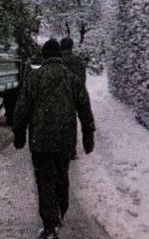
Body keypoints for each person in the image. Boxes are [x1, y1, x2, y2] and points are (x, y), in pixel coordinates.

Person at [13, 39, 95, 239]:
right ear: (59, 55)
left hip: (40, 140)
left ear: (44, 56)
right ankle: (61, 211)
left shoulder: (35, 78)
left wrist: (19, 133)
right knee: (62, 175)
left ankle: (50, 224)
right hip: (65, 139)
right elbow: (84, 106)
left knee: (44, 180)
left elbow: (22, 108)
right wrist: (88, 133)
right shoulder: (71, 78)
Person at [60, 37, 87, 159]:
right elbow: (82, 81)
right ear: (71, 47)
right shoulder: (78, 61)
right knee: (71, 123)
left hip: (57, 97)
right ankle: (71, 151)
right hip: (72, 98)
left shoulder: (57, 61)